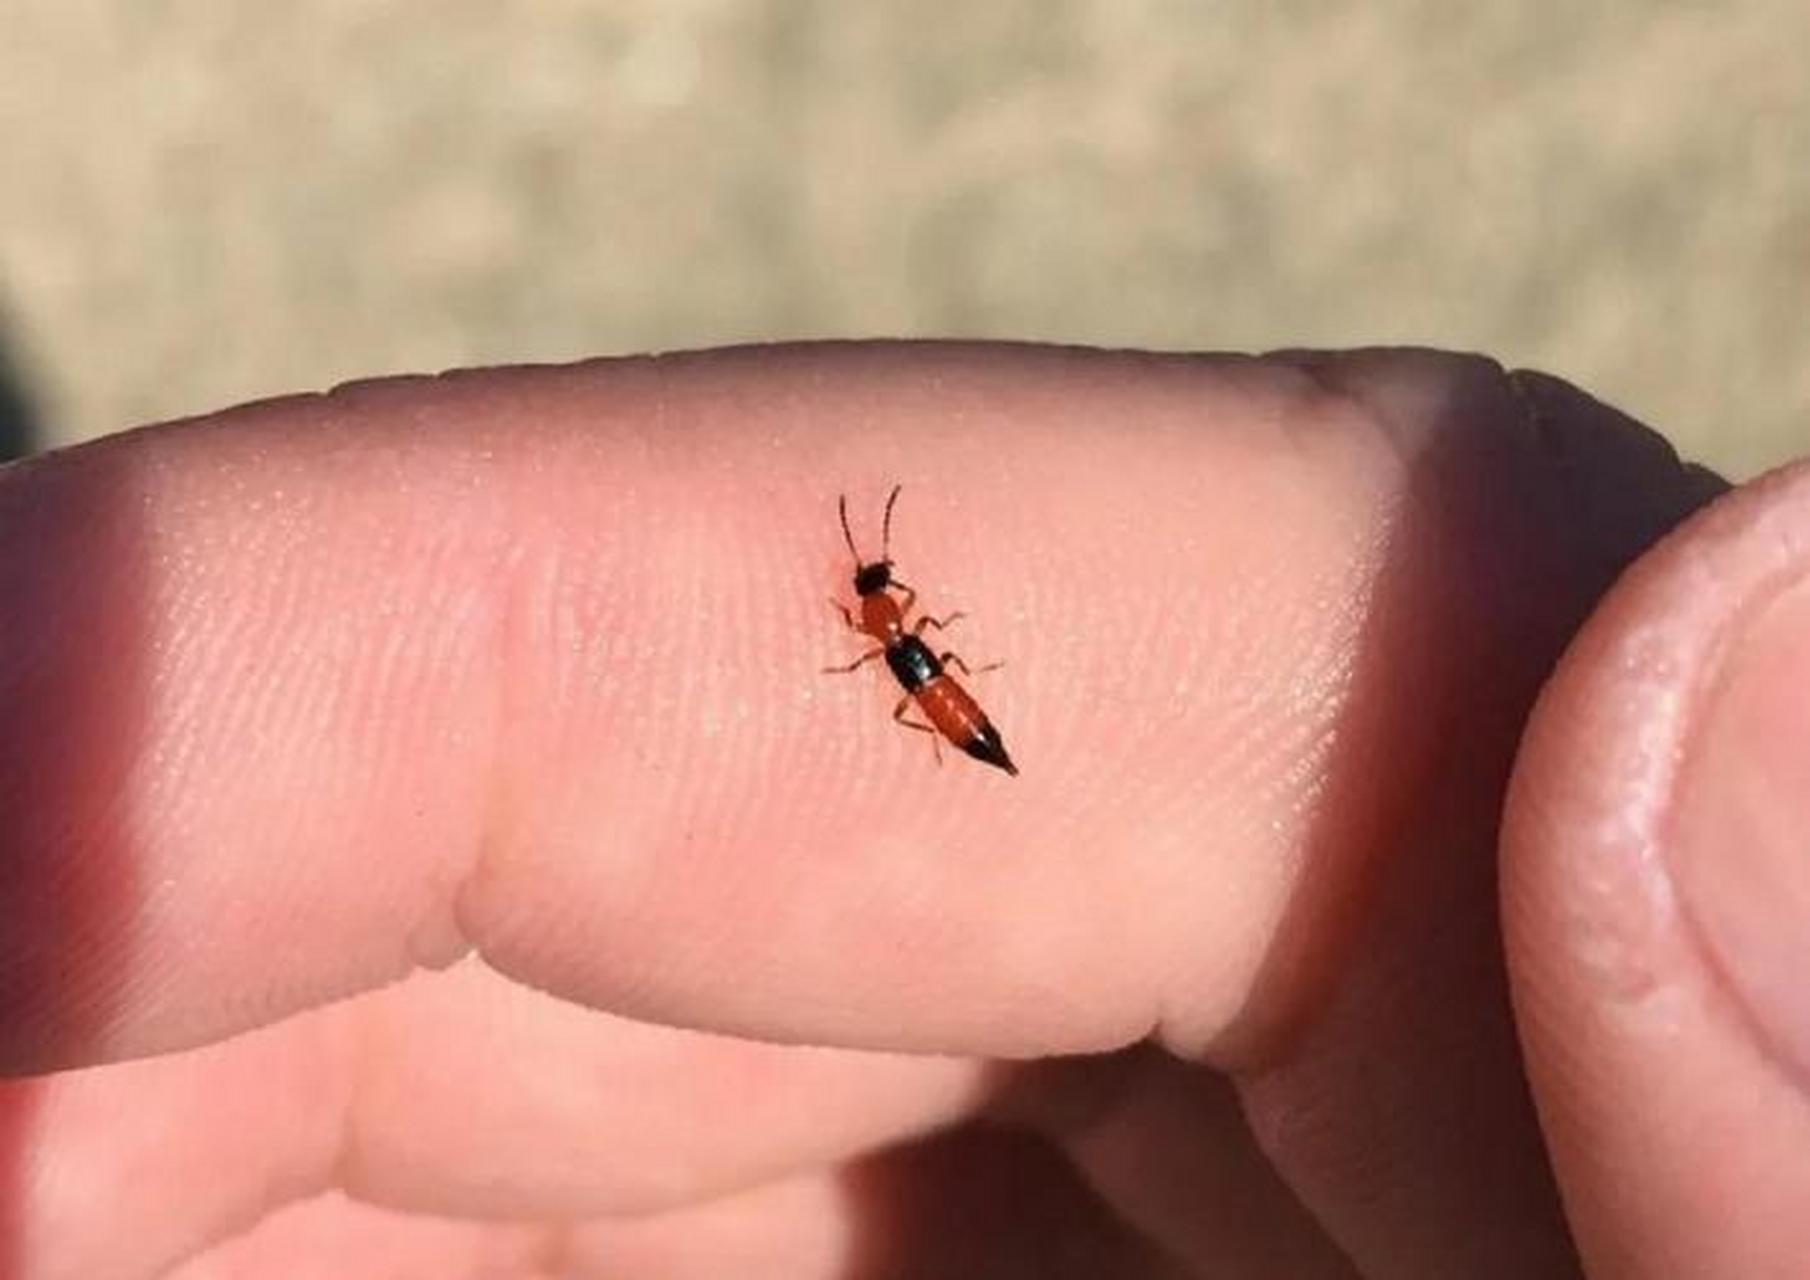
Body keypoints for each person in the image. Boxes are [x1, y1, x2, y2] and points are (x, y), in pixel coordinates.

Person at [0, 343, 1797, 1278]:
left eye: (879, 590)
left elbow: (900, 635)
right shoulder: (898, 640)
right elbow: (896, 634)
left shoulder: (902, 643)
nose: (879, 596)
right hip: (951, 711)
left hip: (955, 713)